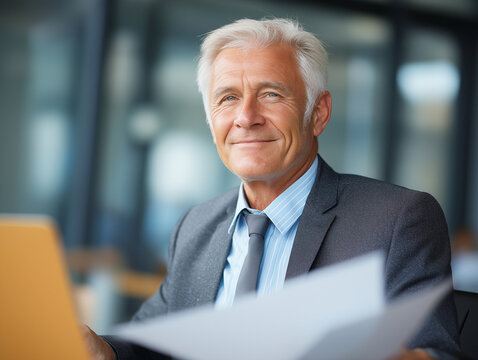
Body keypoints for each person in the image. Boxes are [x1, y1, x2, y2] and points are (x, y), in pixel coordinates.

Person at [83, 18, 461, 359]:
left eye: (271, 94)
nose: (246, 117)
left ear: (318, 114)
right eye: (228, 98)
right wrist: (104, 350)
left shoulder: (396, 221)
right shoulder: (197, 226)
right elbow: (151, 344)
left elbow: (436, 353)